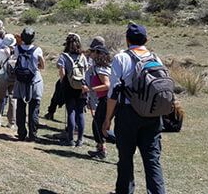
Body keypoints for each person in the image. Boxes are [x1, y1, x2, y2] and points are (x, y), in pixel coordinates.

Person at [102, 23, 166, 194]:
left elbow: (113, 92)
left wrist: (108, 118)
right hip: (152, 115)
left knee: (125, 159)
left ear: (127, 39)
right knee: (152, 161)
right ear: (146, 39)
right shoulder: (155, 58)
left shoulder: (121, 58)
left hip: (128, 114)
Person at [12, 27, 45, 142]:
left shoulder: (18, 48)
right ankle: (33, 134)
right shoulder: (37, 50)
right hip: (34, 81)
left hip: (21, 81)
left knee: (20, 108)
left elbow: (15, 60)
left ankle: (21, 133)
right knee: (34, 108)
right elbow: (42, 65)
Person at [57, 33, 89, 147]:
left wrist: (62, 82)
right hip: (81, 87)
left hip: (69, 87)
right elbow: (86, 70)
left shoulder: (64, 56)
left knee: (71, 112)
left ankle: (70, 139)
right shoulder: (83, 57)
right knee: (80, 113)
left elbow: (62, 72)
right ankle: (80, 140)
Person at [85, 37, 112, 159]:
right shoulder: (102, 66)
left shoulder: (100, 68)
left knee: (99, 125)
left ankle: (102, 150)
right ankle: (101, 148)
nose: (91, 53)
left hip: (106, 100)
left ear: (98, 54)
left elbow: (107, 85)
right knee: (99, 124)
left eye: (93, 51)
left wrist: (91, 90)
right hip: (105, 99)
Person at [0, 33, 17, 128]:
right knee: (13, 98)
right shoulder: (17, 51)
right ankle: (12, 122)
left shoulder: (2, 51)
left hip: (3, 75)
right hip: (14, 77)